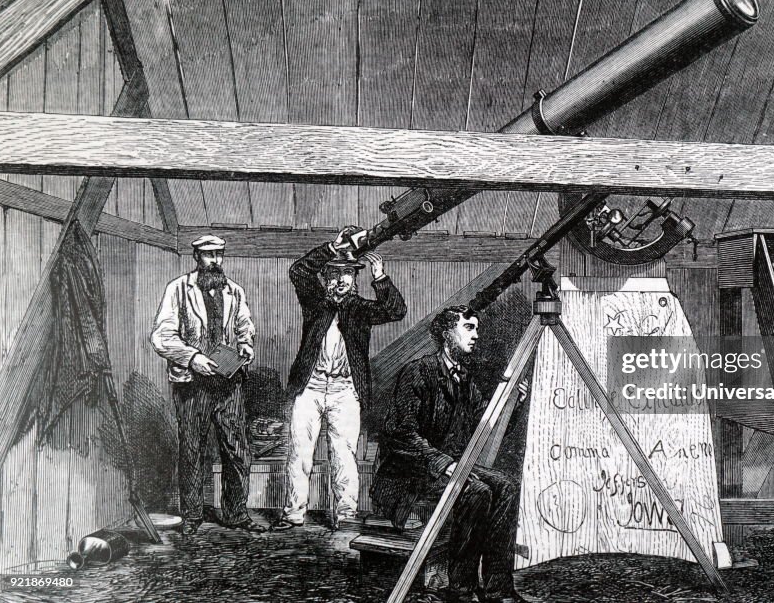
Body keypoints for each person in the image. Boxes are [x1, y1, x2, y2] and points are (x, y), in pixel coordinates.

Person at [372, 306, 529, 603]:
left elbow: (486, 428)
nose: (476, 336)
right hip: (409, 476)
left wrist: (513, 405)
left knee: (506, 486)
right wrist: (443, 463)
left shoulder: (464, 378)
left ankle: (498, 590)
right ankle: (461, 589)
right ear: (447, 335)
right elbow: (399, 434)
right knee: (477, 491)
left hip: (450, 468)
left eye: (477, 329)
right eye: (469, 328)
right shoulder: (418, 371)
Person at [271, 226, 406, 531]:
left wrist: (380, 277)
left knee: (344, 455)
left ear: (355, 279)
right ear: (326, 278)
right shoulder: (315, 302)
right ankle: (294, 513)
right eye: (334, 274)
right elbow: (298, 270)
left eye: (348, 274)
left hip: (346, 390)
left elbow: (396, 310)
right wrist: (331, 248)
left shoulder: (359, 309)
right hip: (310, 388)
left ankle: (344, 515)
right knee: (299, 453)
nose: (341, 280)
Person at [150, 234, 265, 535]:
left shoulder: (234, 291)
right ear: (196, 257)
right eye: (208, 255)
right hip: (192, 385)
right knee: (191, 451)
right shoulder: (178, 290)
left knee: (237, 450)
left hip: (228, 383)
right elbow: (162, 337)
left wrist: (247, 347)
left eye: (219, 255)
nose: (215, 261)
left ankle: (237, 514)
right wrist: (191, 357)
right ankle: (191, 517)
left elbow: (245, 327)